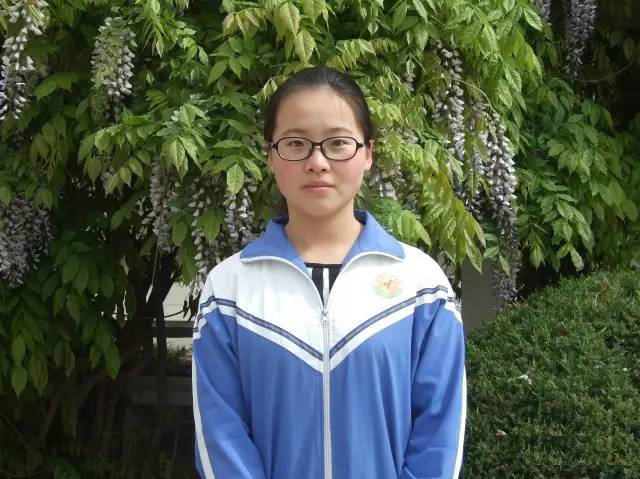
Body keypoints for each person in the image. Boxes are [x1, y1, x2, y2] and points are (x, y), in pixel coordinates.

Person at [192, 66, 466, 479]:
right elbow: (220, 435)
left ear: (368, 153)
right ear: (271, 156)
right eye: (295, 144)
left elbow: (439, 435)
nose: (317, 162)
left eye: (338, 143)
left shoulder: (422, 288)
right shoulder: (229, 292)